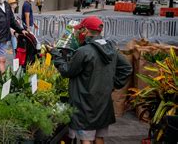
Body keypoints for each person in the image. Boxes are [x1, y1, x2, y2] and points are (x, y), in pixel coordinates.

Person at [50, 16, 132, 144]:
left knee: (86, 138)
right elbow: (127, 68)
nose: (78, 33)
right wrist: (113, 85)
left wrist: (55, 53)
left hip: (84, 103)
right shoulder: (111, 48)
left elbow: (67, 71)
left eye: (80, 30)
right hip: (103, 102)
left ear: (86, 31)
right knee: (99, 136)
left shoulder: (84, 52)